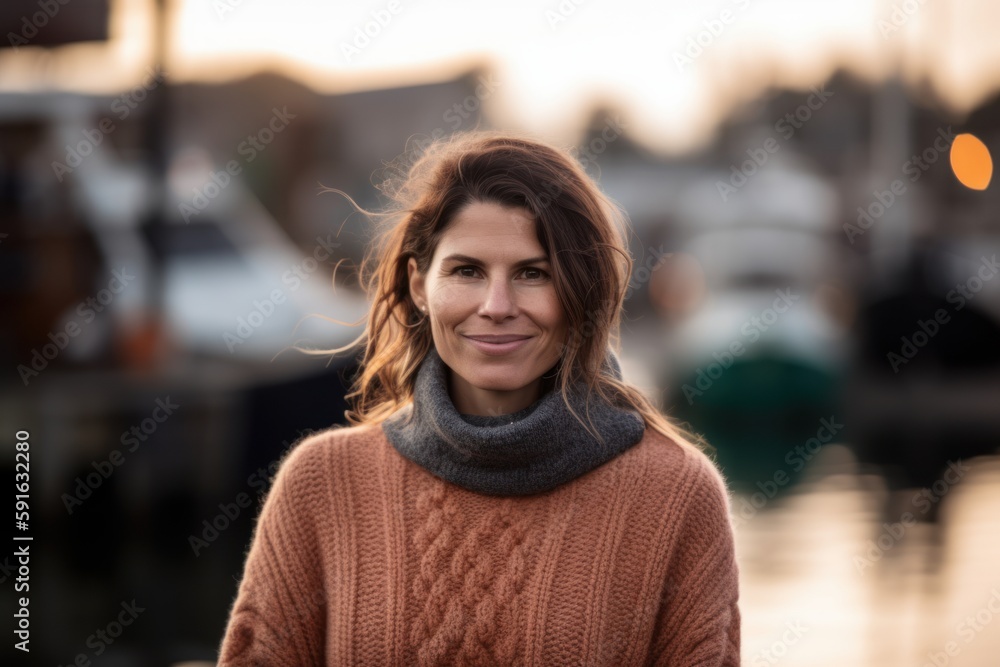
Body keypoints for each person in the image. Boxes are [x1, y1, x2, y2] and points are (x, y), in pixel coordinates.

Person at [217, 130, 741, 666]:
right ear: (420, 285)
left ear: (581, 290)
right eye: (467, 271)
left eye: (533, 273)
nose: (496, 305)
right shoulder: (320, 486)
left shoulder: (676, 495)